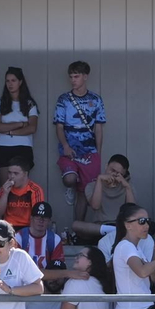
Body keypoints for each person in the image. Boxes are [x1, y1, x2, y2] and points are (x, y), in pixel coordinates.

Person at [53, 60, 106, 218]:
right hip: (70, 149)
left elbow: (98, 128)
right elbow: (59, 126)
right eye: (70, 77)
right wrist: (65, 145)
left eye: (76, 76)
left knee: (85, 192)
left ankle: (77, 228)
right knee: (70, 179)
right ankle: (72, 186)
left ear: (85, 77)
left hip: (89, 150)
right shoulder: (64, 99)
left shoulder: (96, 99)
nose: (73, 80)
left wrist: (98, 153)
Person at [0, 66, 40, 188]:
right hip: (2, 148)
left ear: (20, 82)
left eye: (13, 80)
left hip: (23, 148)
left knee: (21, 189)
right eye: (7, 81)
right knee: (5, 188)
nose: (10, 84)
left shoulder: (29, 103)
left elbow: (32, 128)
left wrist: (9, 131)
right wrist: (20, 124)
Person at [73, 153, 134, 246]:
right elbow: (95, 206)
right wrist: (99, 179)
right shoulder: (91, 186)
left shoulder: (127, 187)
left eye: (118, 173)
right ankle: (112, 231)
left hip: (120, 224)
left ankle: (116, 230)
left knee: (147, 225)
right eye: (112, 170)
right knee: (76, 225)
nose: (113, 174)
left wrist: (127, 186)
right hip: (100, 228)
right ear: (106, 166)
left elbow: (131, 212)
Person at [0, 159, 47, 230]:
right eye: (9, 173)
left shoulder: (35, 190)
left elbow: (38, 216)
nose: (11, 176)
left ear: (25, 174)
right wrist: (5, 193)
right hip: (8, 227)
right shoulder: (5, 188)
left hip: (28, 228)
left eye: (16, 173)